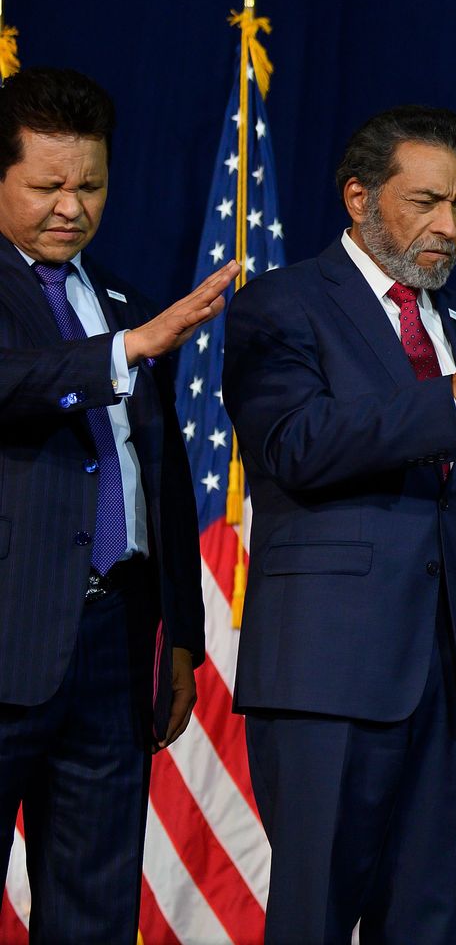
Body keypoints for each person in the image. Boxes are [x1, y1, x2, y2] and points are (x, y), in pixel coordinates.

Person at [225, 106, 456, 944]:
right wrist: (453, 394)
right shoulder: (282, 306)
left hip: (447, 687)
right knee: (315, 915)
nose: (448, 227)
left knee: (432, 924)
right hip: (328, 674)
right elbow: (293, 446)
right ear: (358, 197)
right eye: (425, 202)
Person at [0, 67, 237, 941]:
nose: (72, 205)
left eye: (90, 184)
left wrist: (180, 631)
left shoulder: (124, 298)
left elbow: (160, 473)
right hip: (7, 640)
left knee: (95, 913)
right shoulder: (130, 328)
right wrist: (125, 351)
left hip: (113, 649)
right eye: (47, 185)